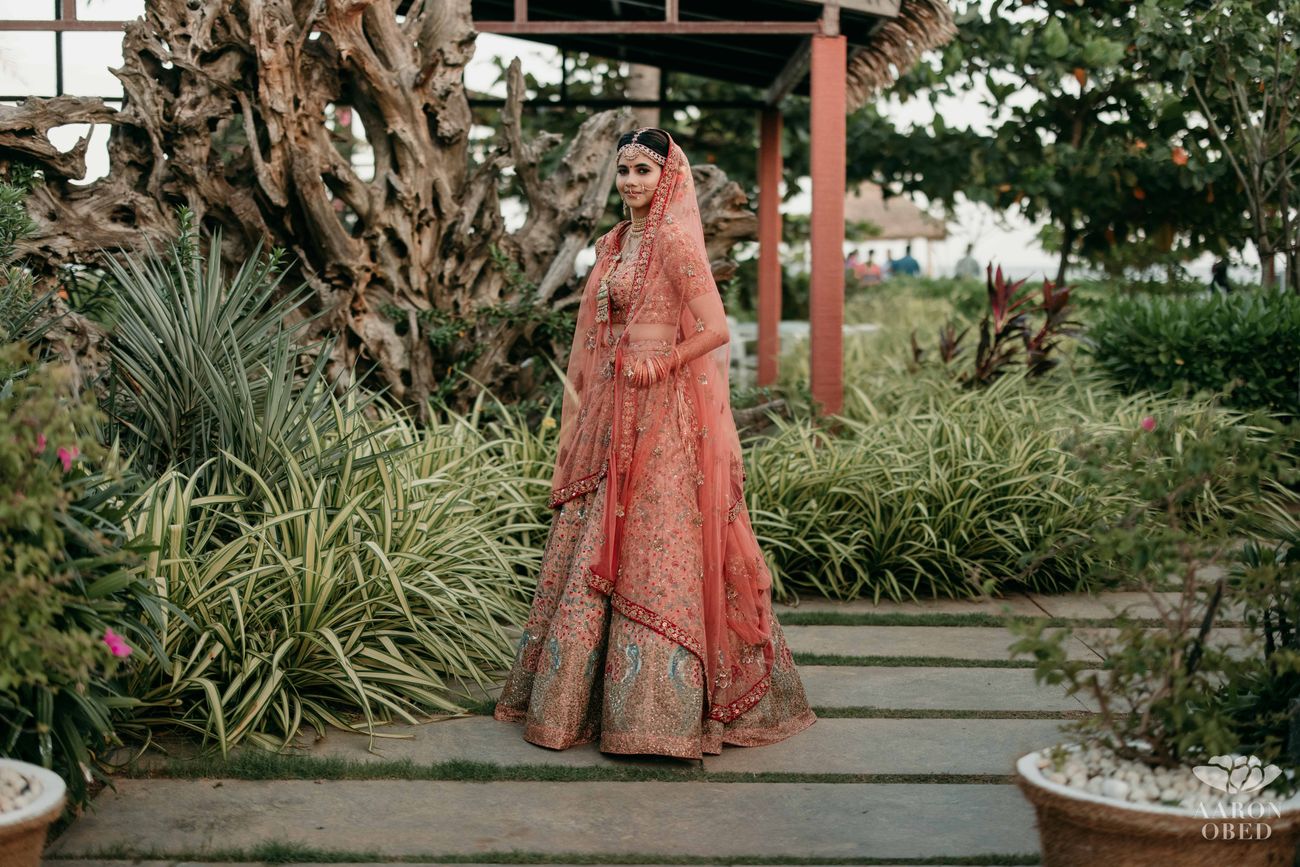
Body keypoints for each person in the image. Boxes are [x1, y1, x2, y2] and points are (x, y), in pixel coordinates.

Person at [494, 127, 817, 760]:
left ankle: (662, 715)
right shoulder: (614, 242)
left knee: (657, 544)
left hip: (663, 414)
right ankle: (579, 705)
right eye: (625, 171)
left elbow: (717, 329)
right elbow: (598, 332)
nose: (633, 182)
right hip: (612, 409)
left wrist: (663, 361)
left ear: (667, 177)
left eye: (645, 170)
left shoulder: (673, 239)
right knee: (591, 538)